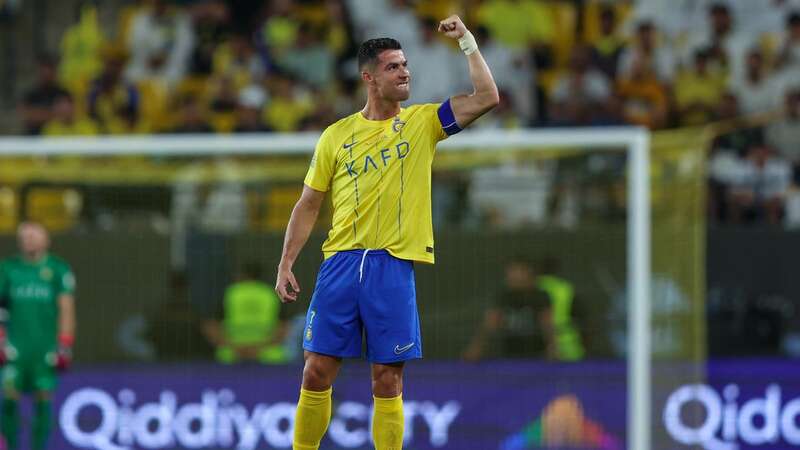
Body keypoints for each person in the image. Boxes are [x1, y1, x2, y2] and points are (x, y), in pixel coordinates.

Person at [275, 15, 498, 450]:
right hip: (339, 263)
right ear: (369, 77)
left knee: (387, 379)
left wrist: (467, 42)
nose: (405, 72)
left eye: (406, 65)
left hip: (391, 266)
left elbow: (488, 97)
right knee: (315, 371)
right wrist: (285, 261)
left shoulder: (423, 123)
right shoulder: (335, 136)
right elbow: (308, 204)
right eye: (394, 66)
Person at [0, 222, 76, 450]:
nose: (29, 240)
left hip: (44, 348)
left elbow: (66, 308)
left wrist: (65, 343)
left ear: (46, 239)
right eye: (25, 235)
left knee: (43, 398)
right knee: (9, 397)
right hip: (15, 346)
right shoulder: (7, 269)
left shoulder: (58, 269)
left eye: (34, 235)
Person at [203, 262, 288, 364]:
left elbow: (210, 326)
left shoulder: (230, 293)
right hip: (266, 354)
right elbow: (284, 328)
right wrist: (259, 349)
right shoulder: (271, 294)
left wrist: (234, 347)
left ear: (241, 275)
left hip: (232, 354)